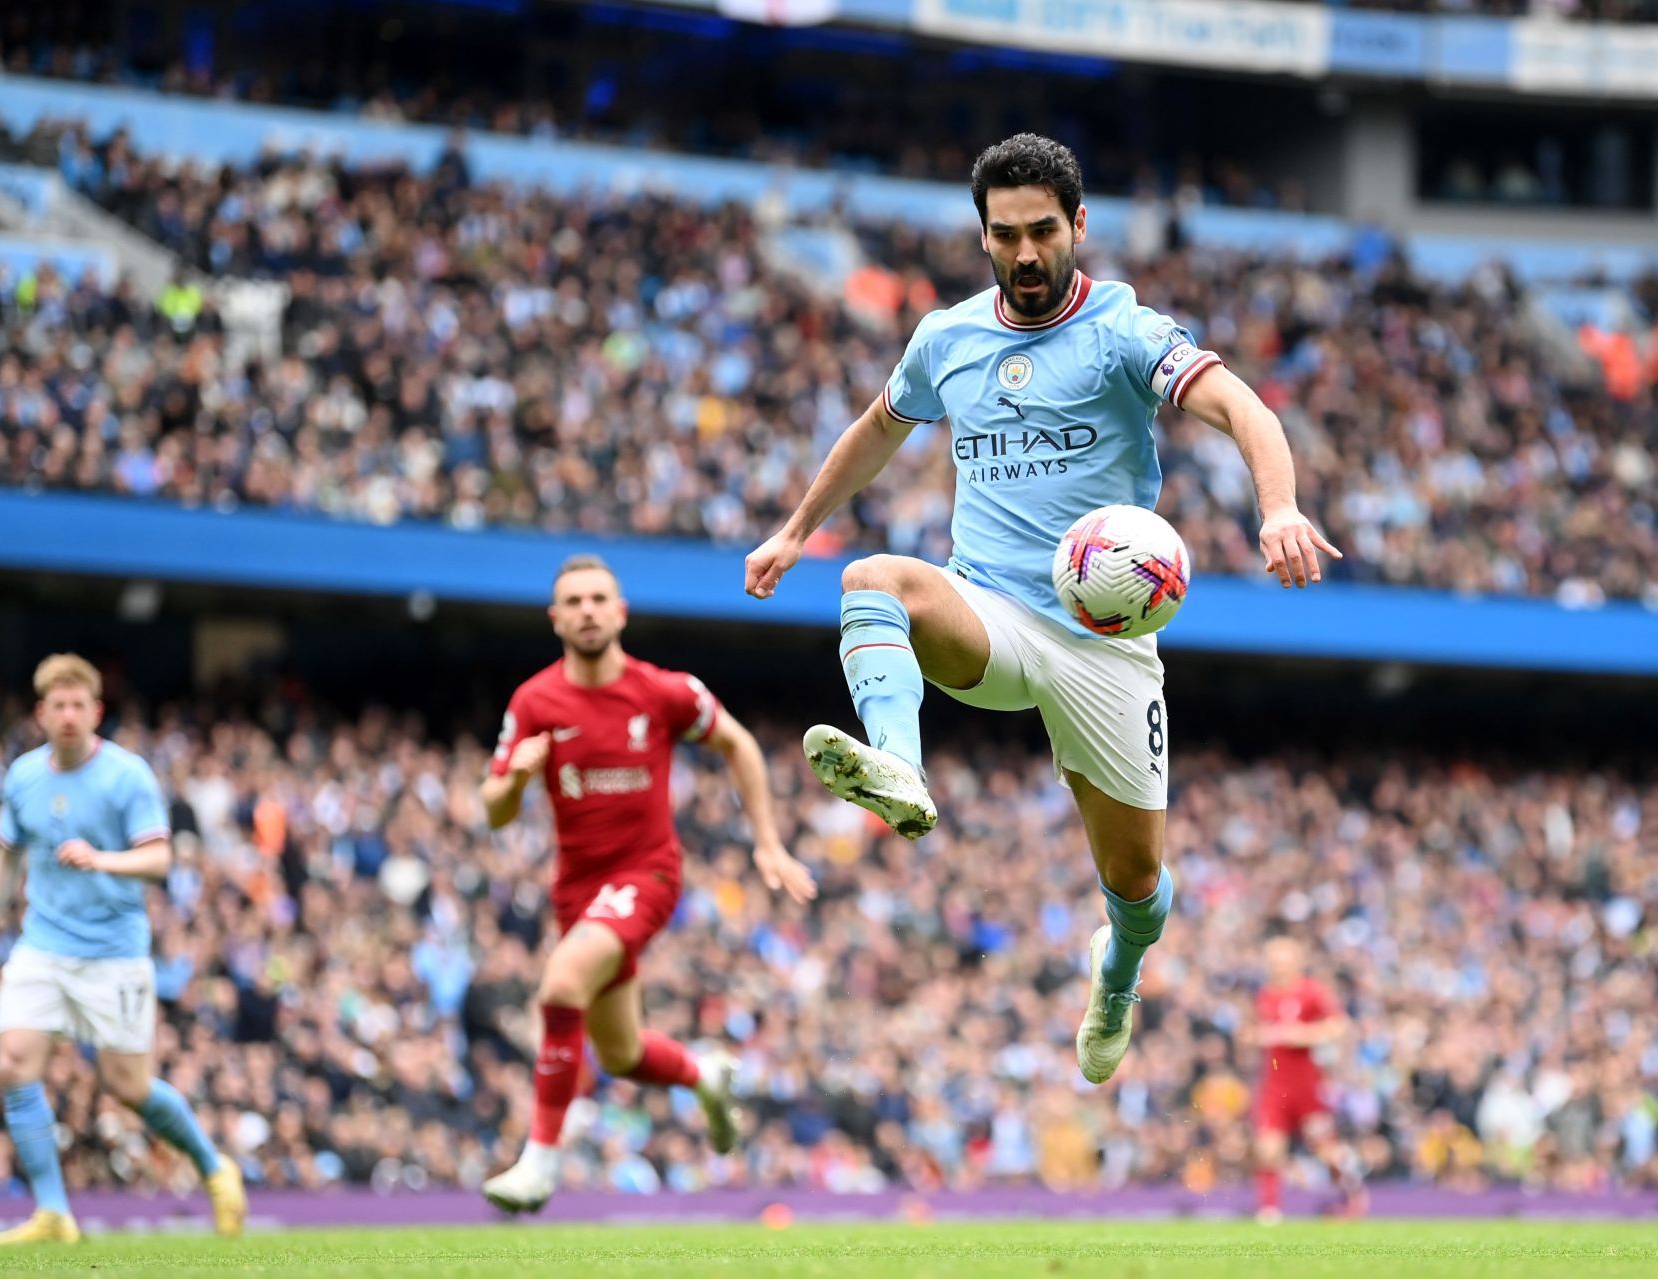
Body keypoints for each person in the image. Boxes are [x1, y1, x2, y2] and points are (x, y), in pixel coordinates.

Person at [744, 133, 1339, 1084]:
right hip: (992, 612)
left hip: (1106, 643)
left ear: (1078, 226)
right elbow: (873, 431)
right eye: (1006, 234)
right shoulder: (946, 338)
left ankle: (1119, 972)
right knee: (870, 579)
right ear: (982, 237)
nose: (1026, 253)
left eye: (1043, 232)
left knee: (1138, 884)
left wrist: (1280, 506)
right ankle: (899, 764)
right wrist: (792, 529)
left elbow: (1244, 410)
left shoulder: (1124, 331)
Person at [479, 555, 817, 1213]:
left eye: (598, 598)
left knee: (559, 984)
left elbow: (740, 745)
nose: (586, 610)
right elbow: (494, 808)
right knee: (624, 1052)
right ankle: (705, 1071)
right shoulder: (534, 701)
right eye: (572, 601)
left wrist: (768, 841)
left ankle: (539, 1164)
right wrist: (517, 778)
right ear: (555, 618)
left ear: (620, 611)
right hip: (577, 892)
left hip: (648, 875)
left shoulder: (663, 691)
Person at [0, 654, 246, 1244]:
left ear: (96, 712)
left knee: (128, 1087)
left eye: (77, 706)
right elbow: (6, 862)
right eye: (56, 706)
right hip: (43, 946)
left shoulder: (128, 775)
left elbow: (160, 858)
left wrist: (101, 858)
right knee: (13, 1060)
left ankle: (216, 1169)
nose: (67, 715)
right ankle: (55, 1213)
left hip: (114, 952)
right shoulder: (25, 777)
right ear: (41, 713)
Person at [1252, 937, 1364, 1223]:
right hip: (1275, 1086)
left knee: (1328, 1151)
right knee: (1268, 1148)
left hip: (1308, 1086)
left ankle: (1352, 1196)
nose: (1277, 967)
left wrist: (1299, 1035)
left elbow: (1339, 1025)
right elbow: (1258, 1031)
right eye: (1273, 962)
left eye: (1283, 961)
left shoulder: (1312, 992)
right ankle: (1269, 1211)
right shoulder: (1265, 995)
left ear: (1297, 962)